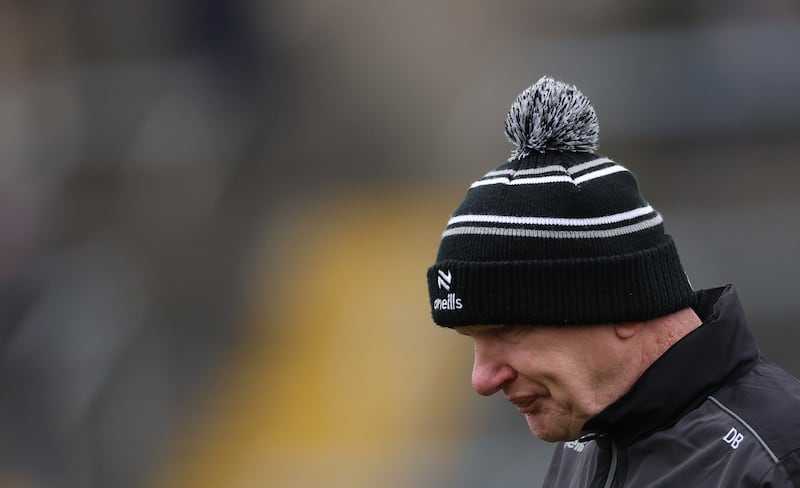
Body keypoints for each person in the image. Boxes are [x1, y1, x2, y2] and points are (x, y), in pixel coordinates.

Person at [426, 76, 800, 486]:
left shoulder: (778, 460)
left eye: (508, 328)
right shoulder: (586, 442)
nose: (482, 379)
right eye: (470, 335)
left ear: (626, 306)